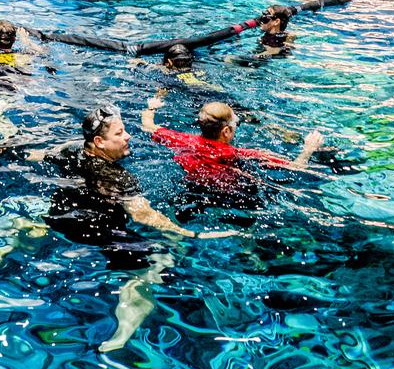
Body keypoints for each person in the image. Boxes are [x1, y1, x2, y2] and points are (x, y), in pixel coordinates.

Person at [42, 106, 237, 352]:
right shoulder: (120, 178)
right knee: (157, 261)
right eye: (120, 133)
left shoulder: (70, 152)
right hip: (94, 230)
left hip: (58, 216)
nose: (128, 136)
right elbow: (143, 215)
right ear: (99, 142)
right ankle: (121, 337)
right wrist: (193, 234)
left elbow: (38, 156)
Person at [142, 96, 324, 208]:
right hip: (229, 196)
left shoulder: (182, 140)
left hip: (189, 188)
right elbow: (296, 167)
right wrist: (308, 149)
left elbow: (148, 125)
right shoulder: (240, 154)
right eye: (235, 124)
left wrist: (152, 106)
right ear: (226, 132)